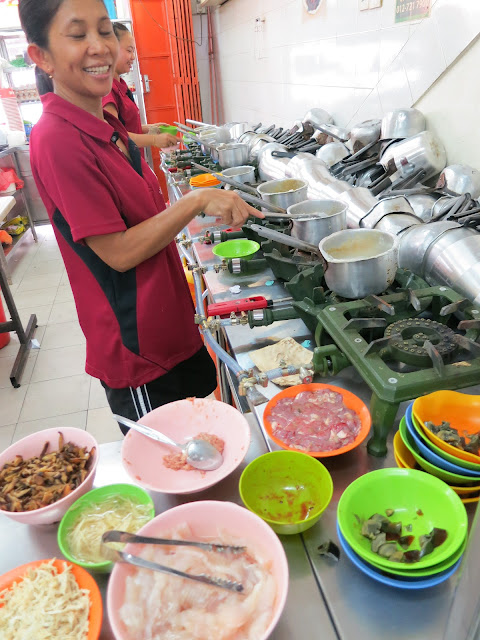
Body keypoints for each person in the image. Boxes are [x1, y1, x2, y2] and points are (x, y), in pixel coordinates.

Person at [19, 0, 263, 433]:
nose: (100, 47)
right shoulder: (58, 139)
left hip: (166, 326)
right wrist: (195, 202)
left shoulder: (103, 127)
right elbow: (118, 252)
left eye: (105, 31)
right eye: (78, 35)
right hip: (137, 348)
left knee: (200, 451)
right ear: (41, 57)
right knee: (169, 474)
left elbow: (142, 222)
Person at [102, 22, 177, 154]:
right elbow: (116, 136)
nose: (133, 57)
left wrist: (150, 128)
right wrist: (154, 140)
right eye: (129, 51)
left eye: (134, 51)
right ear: (111, 49)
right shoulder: (107, 90)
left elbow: (125, 127)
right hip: (126, 163)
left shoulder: (121, 85)